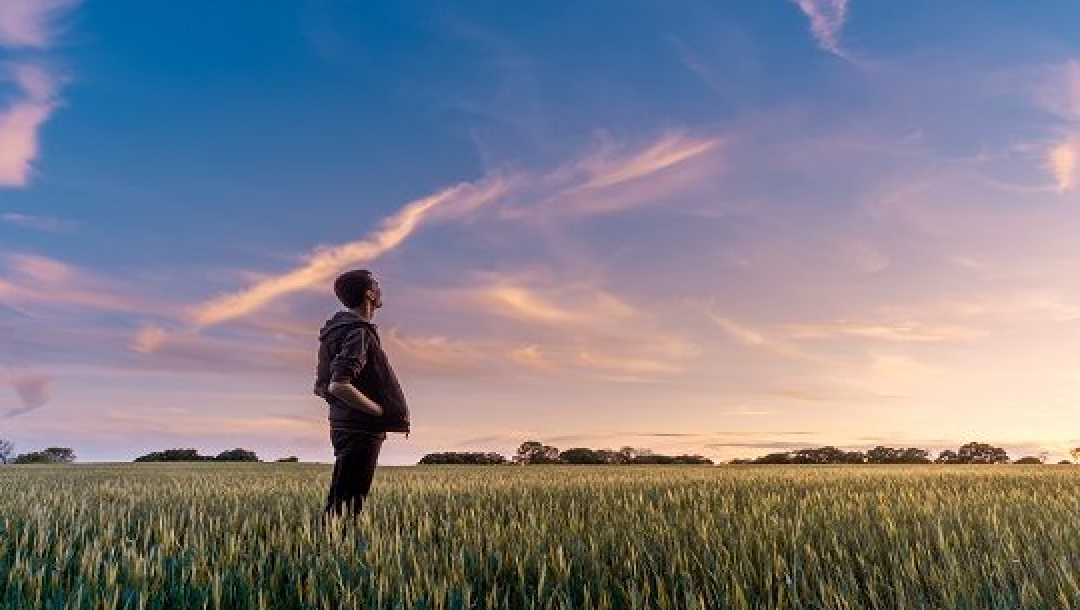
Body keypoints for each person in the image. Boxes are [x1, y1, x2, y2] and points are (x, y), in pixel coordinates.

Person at [314, 269, 411, 523]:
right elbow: (338, 384)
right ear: (369, 293)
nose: (380, 290)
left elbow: (324, 384)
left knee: (341, 498)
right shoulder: (358, 331)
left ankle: (327, 548)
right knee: (350, 504)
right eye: (376, 285)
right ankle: (335, 553)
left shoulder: (336, 330)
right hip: (360, 428)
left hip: (344, 423)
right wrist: (378, 412)